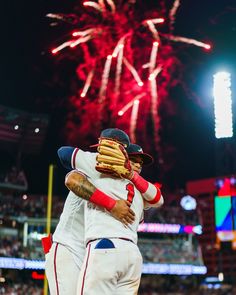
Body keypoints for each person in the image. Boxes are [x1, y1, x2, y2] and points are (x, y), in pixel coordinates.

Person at [63, 134, 163, 294]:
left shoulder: (99, 176)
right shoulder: (140, 193)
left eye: (140, 163)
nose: (138, 165)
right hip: (132, 256)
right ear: (123, 156)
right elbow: (158, 199)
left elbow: (67, 166)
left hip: (105, 246)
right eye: (134, 160)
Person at [44, 129, 136, 295]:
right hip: (70, 248)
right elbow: (71, 178)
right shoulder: (95, 164)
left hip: (95, 254)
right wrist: (112, 205)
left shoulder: (125, 182)